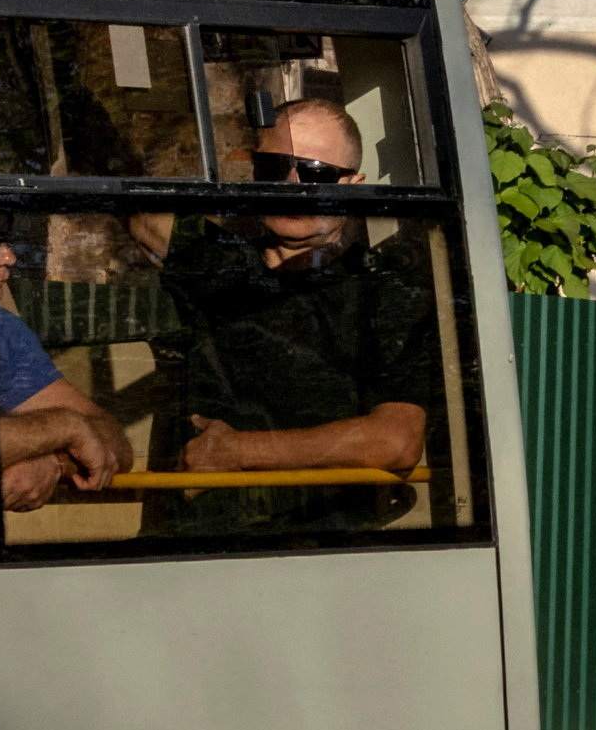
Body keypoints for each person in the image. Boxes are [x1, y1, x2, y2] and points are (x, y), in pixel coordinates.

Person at [157, 95, 442, 535]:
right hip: (200, 535)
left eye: (315, 173)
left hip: (320, 539)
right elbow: (132, 207)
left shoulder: (384, 289)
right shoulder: (218, 262)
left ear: (352, 185)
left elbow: (397, 440)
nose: (292, 186)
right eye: (275, 169)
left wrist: (236, 452)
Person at [0, 243, 135, 514]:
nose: (8, 258)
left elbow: (115, 445)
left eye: (3, 242)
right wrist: (64, 428)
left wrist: (54, 462)